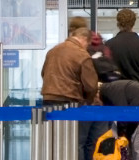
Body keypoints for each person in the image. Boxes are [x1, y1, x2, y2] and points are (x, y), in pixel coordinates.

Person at [41, 26, 100, 160]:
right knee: (75, 142)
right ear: (84, 39)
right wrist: (89, 101)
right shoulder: (81, 54)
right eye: (88, 44)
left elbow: (43, 73)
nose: (87, 47)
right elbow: (91, 86)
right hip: (70, 102)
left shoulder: (53, 51)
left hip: (48, 100)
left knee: (53, 142)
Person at [107, 8, 139, 89]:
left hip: (116, 92)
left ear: (118, 23)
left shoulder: (108, 45)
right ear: (134, 23)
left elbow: (106, 72)